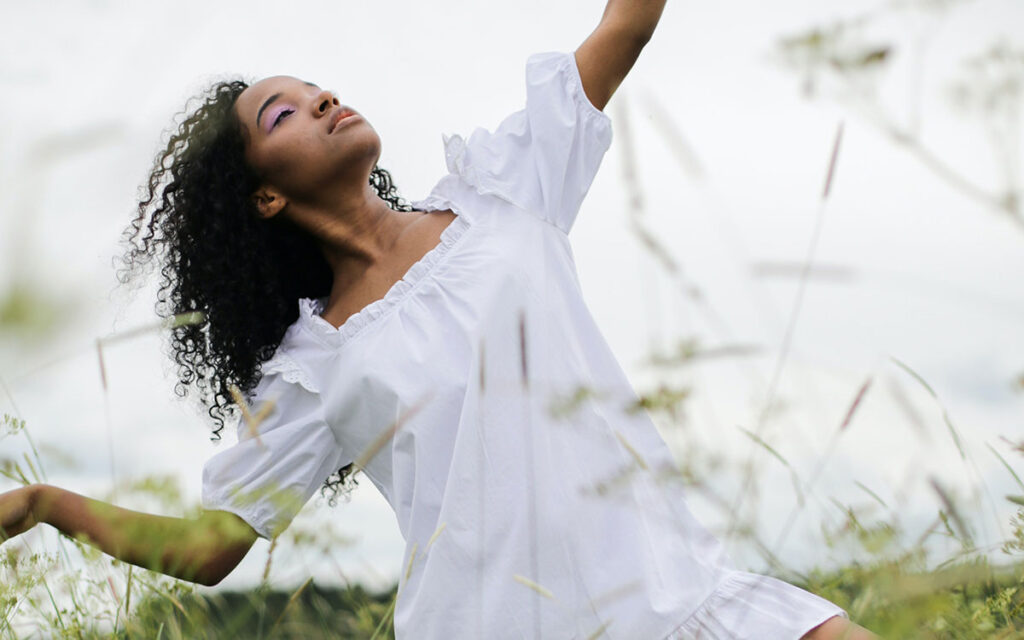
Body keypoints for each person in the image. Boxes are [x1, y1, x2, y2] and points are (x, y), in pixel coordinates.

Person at [0, 2, 879, 638]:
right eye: (284, 112)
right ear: (264, 194)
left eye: (315, 89)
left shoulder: (503, 191)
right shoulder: (313, 366)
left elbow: (628, 24)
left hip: (689, 599)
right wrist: (43, 501)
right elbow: (208, 546)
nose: (320, 100)